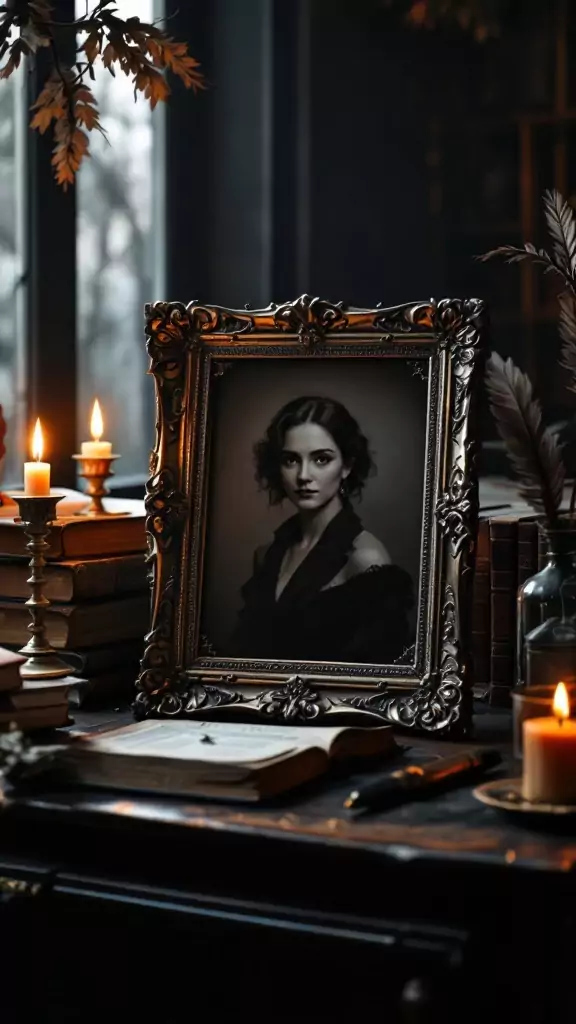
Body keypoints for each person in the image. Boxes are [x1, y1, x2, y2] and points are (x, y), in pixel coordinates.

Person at [228, 396, 414, 664]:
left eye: (321, 459)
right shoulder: (267, 555)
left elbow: (376, 680)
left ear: (347, 466)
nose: (304, 475)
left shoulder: (365, 559)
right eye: (291, 460)